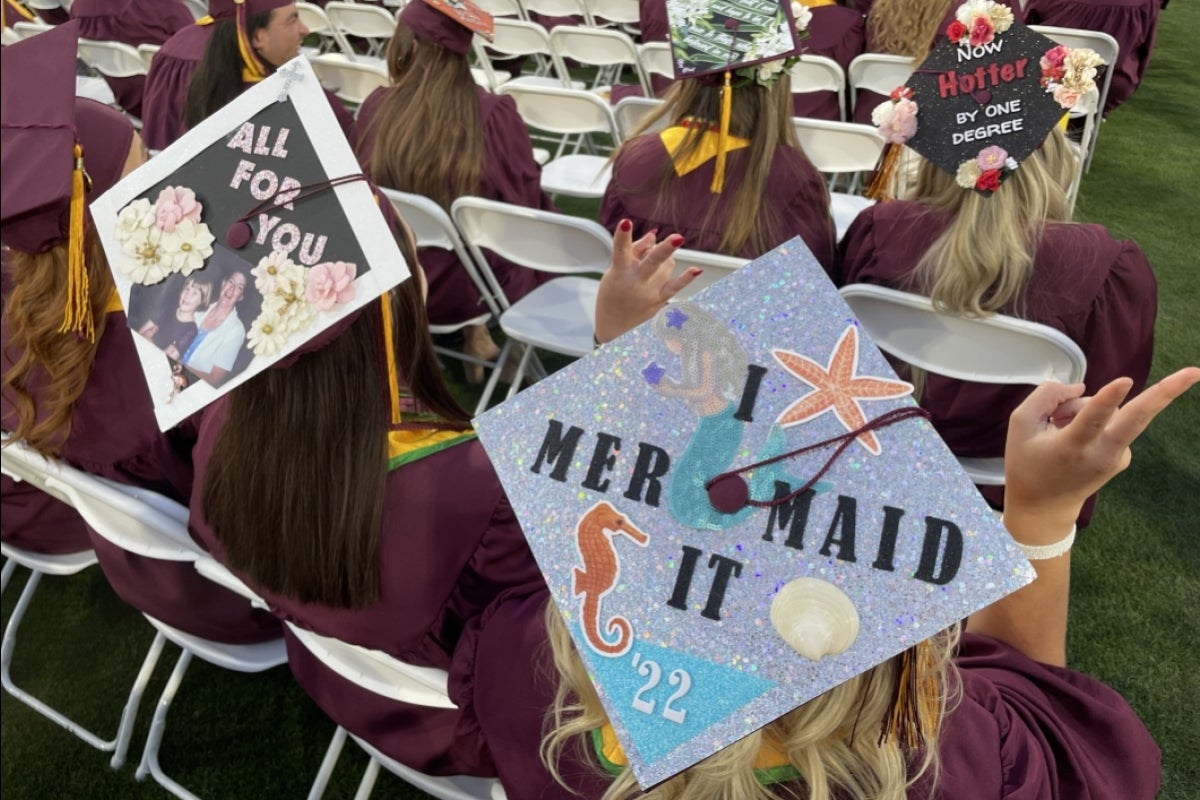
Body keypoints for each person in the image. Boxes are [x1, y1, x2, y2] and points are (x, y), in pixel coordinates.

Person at [519, 366, 1195, 800]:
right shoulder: (941, 760)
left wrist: (616, 358)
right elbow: (1043, 710)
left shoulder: (536, 699)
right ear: (903, 654)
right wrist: (1041, 514)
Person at [187, 210, 694, 777]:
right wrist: (617, 353)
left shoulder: (222, 426)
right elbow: (599, 597)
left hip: (330, 676)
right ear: (399, 301)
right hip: (451, 731)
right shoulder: (479, 493)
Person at [1, 23, 278, 644]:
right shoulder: (178, 359)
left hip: (139, 573)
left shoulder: (16, 328)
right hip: (232, 594)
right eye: (142, 168)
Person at [838, 126, 1156, 526]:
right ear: (1055, 163)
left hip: (876, 449)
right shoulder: (1106, 265)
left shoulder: (879, 229)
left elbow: (839, 346)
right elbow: (1106, 405)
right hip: (1012, 481)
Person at [352, 0, 557, 379]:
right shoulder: (493, 115)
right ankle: (485, 334)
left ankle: (463, 333)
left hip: (395, 280)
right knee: (517, 219)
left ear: (410, 46)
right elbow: (522, 204)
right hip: (477, 287)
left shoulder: (376, 107)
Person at [600, 74, 836, 267]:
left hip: (637, 320)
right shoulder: (794, 177)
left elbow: (613, 256)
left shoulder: (634, 157)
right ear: (776, 87)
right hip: (735, 324)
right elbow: (813, 282)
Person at [182, 0, 352, 138]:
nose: (305, 30)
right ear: (257, 37)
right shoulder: (313, 105)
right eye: (292, 20)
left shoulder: (201, 95)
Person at [1023, 0, 1160, 114]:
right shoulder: (1145, 3)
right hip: (1105, 88)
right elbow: (1144, 52)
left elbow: (1022, 32)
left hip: (1044, 80)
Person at [69, 0, 194, 119]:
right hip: (185, 103)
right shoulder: (157, 5)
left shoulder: (78, 9)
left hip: (134, 105)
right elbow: (198, 46)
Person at [181, 270, 248, 387]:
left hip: (192, 385)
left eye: (239, 287)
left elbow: (215, 379)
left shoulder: (236, 330)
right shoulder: (199, 305)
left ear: (241, 297)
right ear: (223, 283)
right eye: (231, 281)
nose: (231, 289)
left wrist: (181, 365)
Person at [137, 274, 214, 361]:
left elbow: (164, 361)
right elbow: (140, 333)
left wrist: (148, 338)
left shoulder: (191, 330)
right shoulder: (168, 308)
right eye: (187, 288)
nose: (187, 295)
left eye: (195, 293)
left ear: (202, 301)